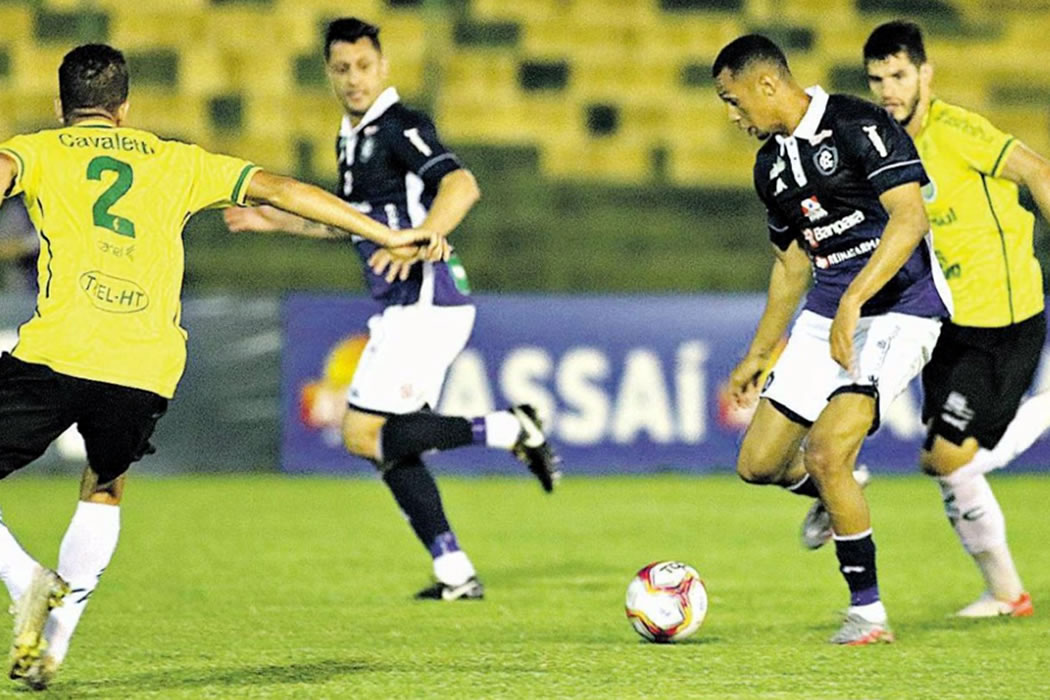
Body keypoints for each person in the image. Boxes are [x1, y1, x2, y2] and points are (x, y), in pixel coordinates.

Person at [0, 43, 441, 691]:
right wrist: (386, 233)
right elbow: (283, 190)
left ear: (61, 105)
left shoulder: (37, 149)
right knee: (104, 484)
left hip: (60, 348)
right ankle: (53, 642)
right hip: (146, 363)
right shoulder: (175, 160)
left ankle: (25, 581)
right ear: (124, 107)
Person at [224, 17, 561, 603]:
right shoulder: (349, 137)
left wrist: (425, 234)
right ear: (330, 73)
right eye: (341, 69)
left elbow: (462, 185)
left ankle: (511, 426)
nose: (354, 79)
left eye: (363, 66)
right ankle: (456, 572)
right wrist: (276, 219)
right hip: (404, 306)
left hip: (427, 298)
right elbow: (355, 225)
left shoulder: (401, 126)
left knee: (363, 432)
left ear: (382, 66)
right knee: (385, 441)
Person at [808, 19, 1050, 618]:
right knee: (940, 461)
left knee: (946, 456)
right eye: (876, 79)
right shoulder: (879, 146)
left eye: (899, 75)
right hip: (940, 321)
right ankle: (1006, 593)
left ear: (925, 75)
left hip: (1003, 316)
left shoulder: (958, 130)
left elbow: (1038, 170)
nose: (888, 90)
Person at [715, 34, 951, 645]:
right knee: (759, 463)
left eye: (734, 101)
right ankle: (834, 491)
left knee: (826, 451)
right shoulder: (770, 167)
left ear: (767, 84)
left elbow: (910, 219)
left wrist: (853, 300)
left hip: (902, 309)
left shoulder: (857, 123)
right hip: (828, 314)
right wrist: (761, 351)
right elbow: (791, 266)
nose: (733, 116)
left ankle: (867, 615)